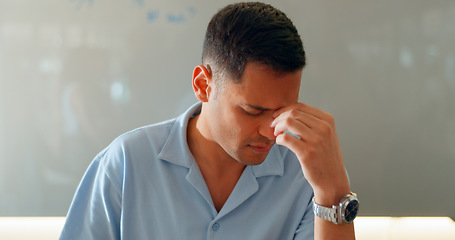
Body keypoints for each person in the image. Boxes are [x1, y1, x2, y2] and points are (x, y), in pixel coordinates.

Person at [60, 2, 358, 239]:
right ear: (203, 85)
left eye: (283, 111)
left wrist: (333, 195)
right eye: (253, 110)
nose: (271, 131)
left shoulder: (305, 177)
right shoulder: (126, 164)